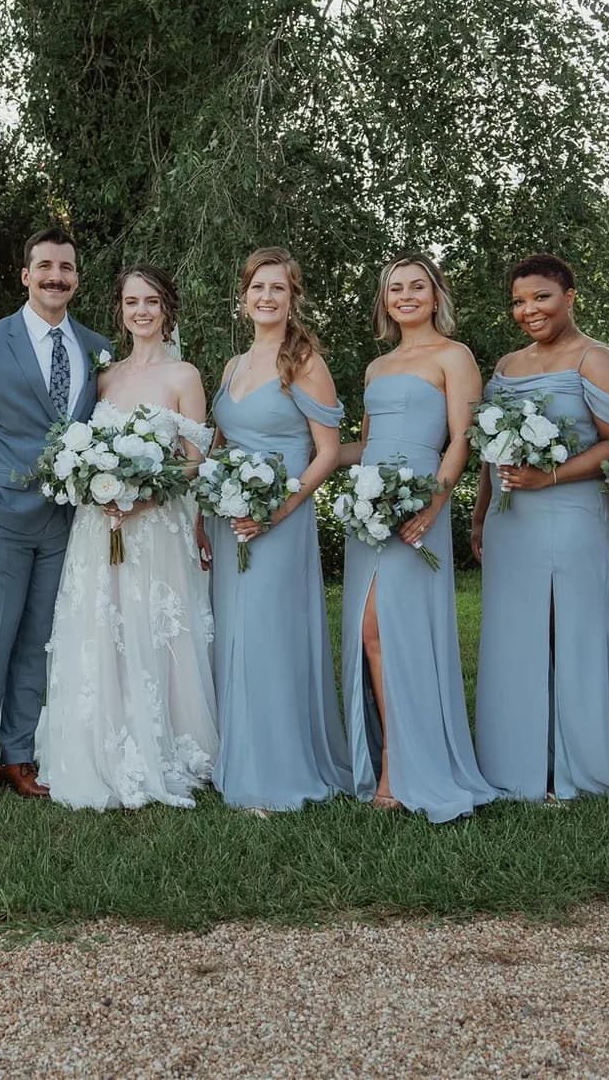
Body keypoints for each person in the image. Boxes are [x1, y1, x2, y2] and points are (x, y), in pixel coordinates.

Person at [0, 226, 110, 809]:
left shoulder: (96, 347)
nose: (56, 276)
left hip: (68, 522)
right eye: (45, 267)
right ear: (26, 275)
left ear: (76, 277)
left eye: (66, 267)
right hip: (1, 515)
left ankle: (18, 755)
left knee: (40, 640)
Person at [33, 264, 218, 810]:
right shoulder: (105, 376)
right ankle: (96, 743)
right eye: (132, 302)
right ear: (121, 309)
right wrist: (99, 485)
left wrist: (145, 493)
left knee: (155, 627)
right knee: (101, 625)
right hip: (99, 526)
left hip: (156, 526)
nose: (141, 311)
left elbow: (195, 463)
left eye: (152, 302)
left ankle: (166, 744)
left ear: (167, 309)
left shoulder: (184, 376)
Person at [470, 254, 609, 802]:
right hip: (511, 519)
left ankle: (574, 770)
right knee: (516, 636)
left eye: (541, 297)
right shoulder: (505, 364)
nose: (529, 310)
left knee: (568, 632)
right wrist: (479, 513)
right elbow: (488, 450)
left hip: (573, 516)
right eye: (520, 301)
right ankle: (516, 765)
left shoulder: (594, 360)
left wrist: (549, 476)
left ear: (569, 297)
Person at [335, 256, 498, 820]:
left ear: (435, 296)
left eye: (417, 287)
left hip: (417, 509)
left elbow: (462, 439)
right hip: (368, 511)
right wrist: (306, 454)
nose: (405, 296)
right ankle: (391, 758)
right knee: (368, 634)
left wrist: (435, 503)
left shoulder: (455, 357)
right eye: (394, 288)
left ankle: (396, 769)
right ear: (385, 301)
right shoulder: (376, 368)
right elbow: (365, 446)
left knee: (391, 630)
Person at [204, 247, 350, 814]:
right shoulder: (232, 366)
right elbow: (219, 442)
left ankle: (275, 768)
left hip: (278, 521)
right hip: (228, 517)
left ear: (293, 298)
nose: (266, 297)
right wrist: (204, 505)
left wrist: (278, 511)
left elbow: (328, 452)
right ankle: (235, 754)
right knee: (232, 633)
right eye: (257, 287)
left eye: (278, 289)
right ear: (244, 297)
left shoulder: (305, 360)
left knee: (266, 636)